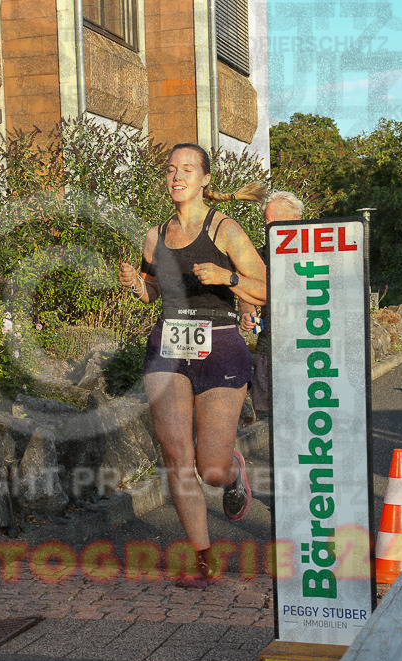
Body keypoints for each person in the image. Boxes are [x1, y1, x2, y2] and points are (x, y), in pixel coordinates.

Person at [117, 143, 266, 589]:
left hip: (220, 345)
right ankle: (204, 559)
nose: (176, 176)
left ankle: (233, 473)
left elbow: (268, 288)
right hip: (167, 345)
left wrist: (229, 279)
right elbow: (150, 294)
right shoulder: (154, 236)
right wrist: (132, 285)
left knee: (211, 468)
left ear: (204, 179)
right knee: (176, 456)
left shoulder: (225, 229)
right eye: (170, 170)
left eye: (187, 169)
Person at [239, 191, 305, 419]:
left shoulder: (316, 253)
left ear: (297, 222)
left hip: (310, 347)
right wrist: (247, 313)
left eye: (276, 221)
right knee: (268, 417)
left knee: (304, 415)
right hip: (269, 347)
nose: (270, 228)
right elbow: (246, 295)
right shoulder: (258, 258)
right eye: (267, 222)